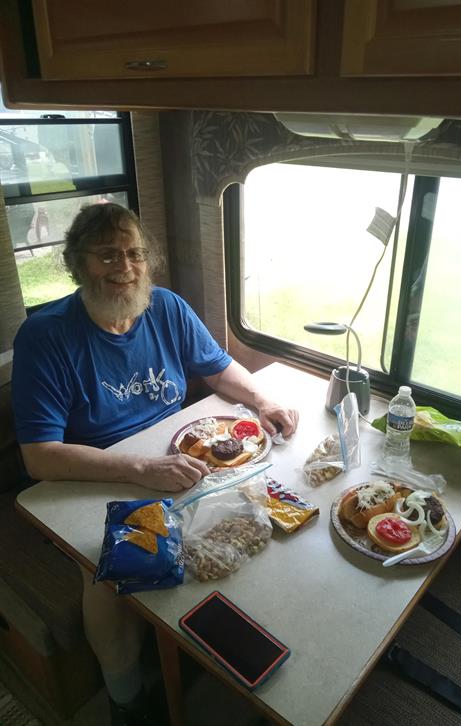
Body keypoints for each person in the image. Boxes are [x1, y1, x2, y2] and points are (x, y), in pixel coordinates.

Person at [11, 203, 298, 725]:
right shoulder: (46, 337)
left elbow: (220, 370)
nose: (126, 265)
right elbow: (39, 457)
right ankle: (126, 700)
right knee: (104, 573)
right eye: (107, 255)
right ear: (78, 265)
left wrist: (263, 401)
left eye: (135, 253)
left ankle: (202, 659)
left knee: (258, 524)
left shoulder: (166, 308)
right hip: (93, 476)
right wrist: (139, 470)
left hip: (178, 460)